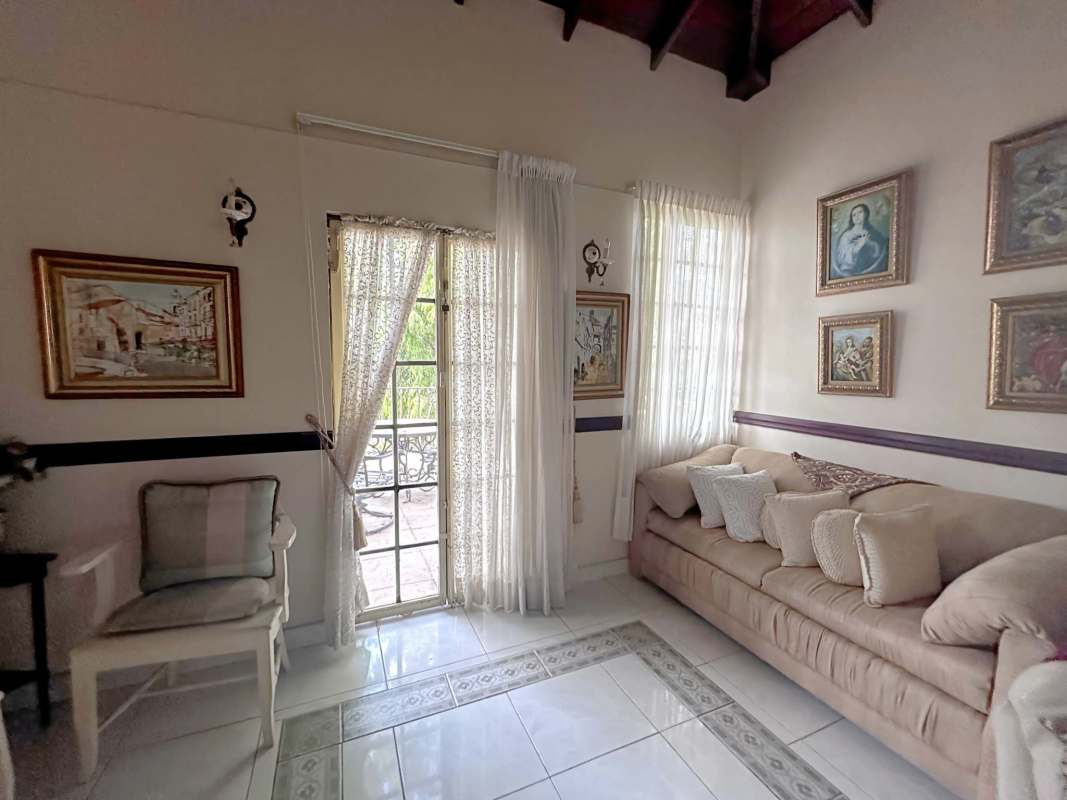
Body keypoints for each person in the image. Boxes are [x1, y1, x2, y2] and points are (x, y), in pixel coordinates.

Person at [833, 203, 888, 277]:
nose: (857, 216)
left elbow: (879, 252)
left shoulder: (873, 232)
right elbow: (844, 256)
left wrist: (869, 243)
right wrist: (860, 245)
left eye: (860, 212)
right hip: (849, 270)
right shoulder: (847, 235)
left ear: (866, 214)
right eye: (854, 215)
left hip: (870, 271)